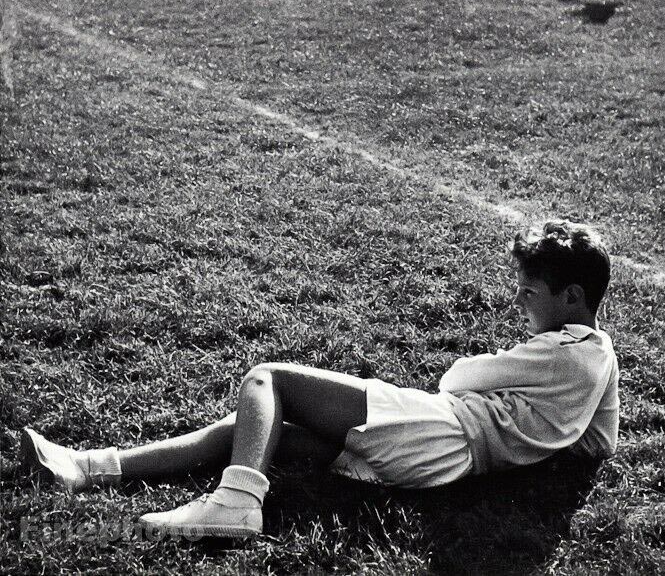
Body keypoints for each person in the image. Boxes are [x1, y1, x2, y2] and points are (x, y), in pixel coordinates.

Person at [19, 220, 619, 541]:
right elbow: (601, 438)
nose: (519, 300)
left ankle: (237, 503)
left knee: (266, 378)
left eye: (530, 291)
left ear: (571, 296)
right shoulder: (595, 355)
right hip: (441, 461)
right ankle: (89, 467)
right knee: (251, 428)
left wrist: (494, 395)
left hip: (440, 431)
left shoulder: (567, 351)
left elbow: (459, 376)